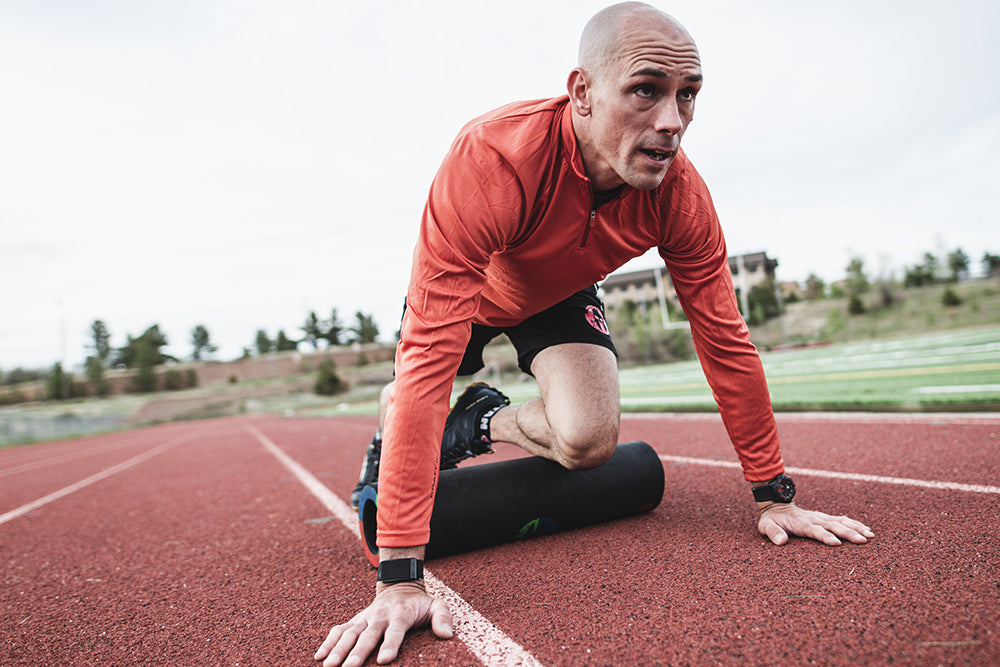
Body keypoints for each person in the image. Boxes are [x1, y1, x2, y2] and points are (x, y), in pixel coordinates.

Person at [316, 3, 875, 665]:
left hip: (557, 291)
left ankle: (478, 421)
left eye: (687, 96)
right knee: (416, 392)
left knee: (589, 440)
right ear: (581, 93)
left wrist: (773, 494)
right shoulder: (493, 158)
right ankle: (447, 415)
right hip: (472, 288)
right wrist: (400, 577)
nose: (671, 122)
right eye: (646, 90)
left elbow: (724, 339)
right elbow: (427, 363)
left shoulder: (679, 193)